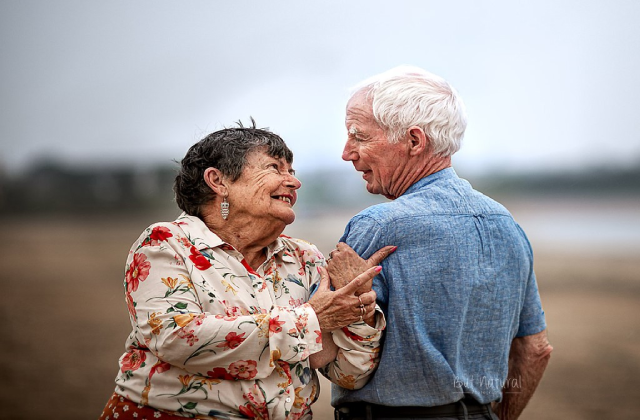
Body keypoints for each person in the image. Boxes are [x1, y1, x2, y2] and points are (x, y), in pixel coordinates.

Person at [99, 121, 393, 420]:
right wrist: (312, 319)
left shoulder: (305, 258)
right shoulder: (167, 243)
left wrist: (360, 308)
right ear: (218, 180)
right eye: (274, 168)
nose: (294, 182)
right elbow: (176, 338)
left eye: (292, 171)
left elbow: (349, 377)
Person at [325, 67, 553, 420]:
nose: (346, 152)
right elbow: (536, 350)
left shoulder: (378, 226)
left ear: (415, 142)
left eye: (359, 136)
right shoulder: (507, 225)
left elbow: (340, 358)